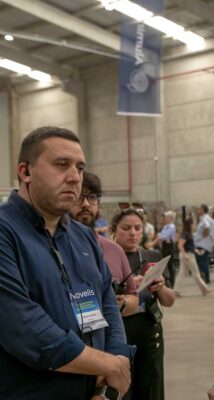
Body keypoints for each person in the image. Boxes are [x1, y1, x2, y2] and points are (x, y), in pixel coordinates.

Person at [0, 126, 132, 399]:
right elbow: (25, 329)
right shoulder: (6, 232)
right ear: (25, 172)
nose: (75, 178)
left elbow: (107, 302)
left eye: (80, 168)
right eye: (61, 165)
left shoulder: (83, 237)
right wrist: (108, 363)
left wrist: (109, 385)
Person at [111, 208, 176, 400]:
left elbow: (169, 300)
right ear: (115, 230)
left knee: (151, 387)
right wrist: (132, 287)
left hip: (149, 332)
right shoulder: (107, 256)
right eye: (126, 228)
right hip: (120, 331)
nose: (132, 232)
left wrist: (160, 287)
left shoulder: (152, 256)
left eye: (137, 228)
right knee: (123, 388)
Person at [70, 171, 139, 317]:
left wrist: (123, 304)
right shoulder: (53, 248)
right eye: (79, 197)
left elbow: (133, 297)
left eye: (92, 197)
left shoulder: (114, 250)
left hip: (112, 334)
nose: (86, 204)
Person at [176, 217, 211, 296]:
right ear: (190, 225)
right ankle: (204, 289)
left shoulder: (188, 234)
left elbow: (189, 246)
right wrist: (185, 254)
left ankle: (176, 290)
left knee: (182, 273)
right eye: (194, 223)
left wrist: (197, 251)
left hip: (187, 254)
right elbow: (180, 245)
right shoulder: (186, 234)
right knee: (196, 273)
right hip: (188, 255)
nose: (195, 225)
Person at [194, 205, 214, 284]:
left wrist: (202, 237)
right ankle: (204, 278)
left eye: (199, 209)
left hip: (203, 244)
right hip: (203, 243)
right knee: (202, 261)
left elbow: (206, 227)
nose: (197, 210)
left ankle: (206, 278)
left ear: (203, 210)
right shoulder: (204, 218)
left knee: (202, 261)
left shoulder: (205, 219)